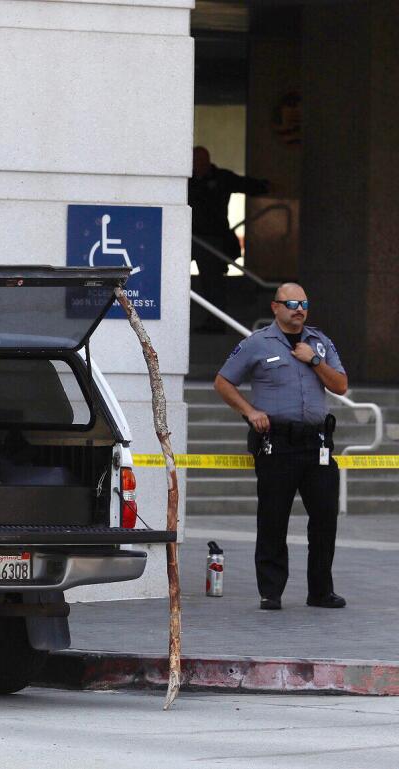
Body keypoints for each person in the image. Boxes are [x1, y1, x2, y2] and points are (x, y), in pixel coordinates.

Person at [213, 283, 348, 610]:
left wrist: (314, 360)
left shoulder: (320, 342)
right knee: (273, 518)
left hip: (316, 443)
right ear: (275, 307)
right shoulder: (256, 343)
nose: (298, 309)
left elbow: (340, 386)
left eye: (303, 303)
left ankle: (320, 591)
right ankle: (271, 592)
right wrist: (250, 411)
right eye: (290, 303)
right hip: (278, 443)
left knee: (325, 519)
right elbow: (223, 381)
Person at [189, 147, 269, 332]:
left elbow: (245, 184)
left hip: (212, 240)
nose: (196, 164)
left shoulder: (222, 178)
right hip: (188, 237)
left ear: (207, 160)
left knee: (212, 281)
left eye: (199, 160)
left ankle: (216, 322)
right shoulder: (187, 179)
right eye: (193, 160)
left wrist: (267, 186)